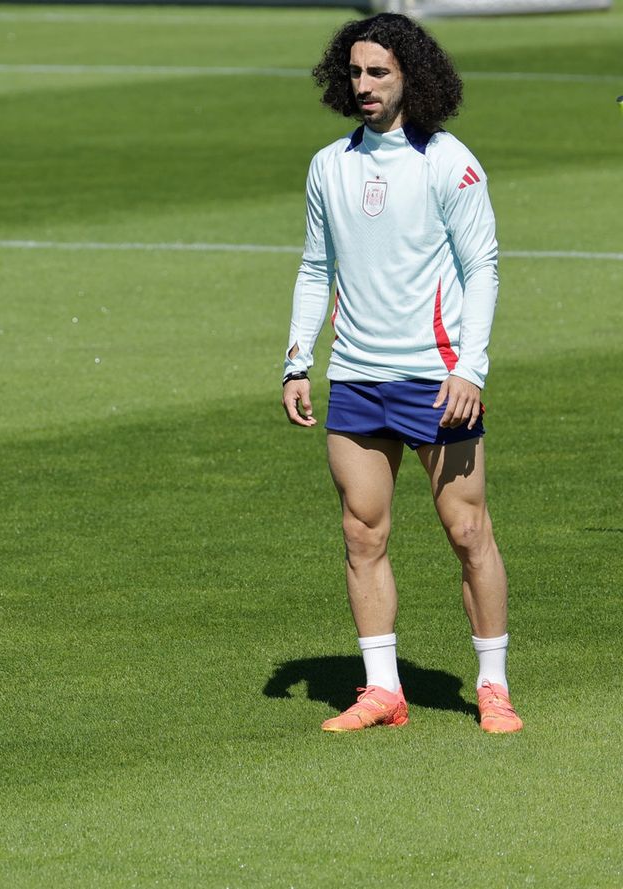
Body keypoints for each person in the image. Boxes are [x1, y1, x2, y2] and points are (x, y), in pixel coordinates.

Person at [280, 14, 523, 735]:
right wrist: (299, 359)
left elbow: (482, 266)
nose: (363, 86)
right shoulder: (330, 164)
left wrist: (470, 368)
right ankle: (383, 688)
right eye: (353, 72)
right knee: (362, 531)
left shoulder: (449, 162)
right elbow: (315, 267)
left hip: (437, 378)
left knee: (467, 529)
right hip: (356, 376)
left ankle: (492, 684)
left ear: (411, 75)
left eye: (377, 72)